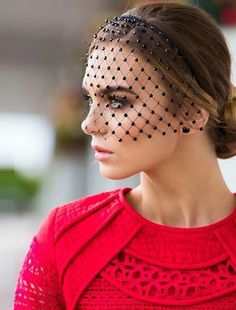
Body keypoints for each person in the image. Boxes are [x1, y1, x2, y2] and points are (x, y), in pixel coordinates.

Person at [14, 2, 236, 309]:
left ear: (192, 111)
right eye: (90, 100)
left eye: (117, 101)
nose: (89, 124)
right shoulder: (64, 238)